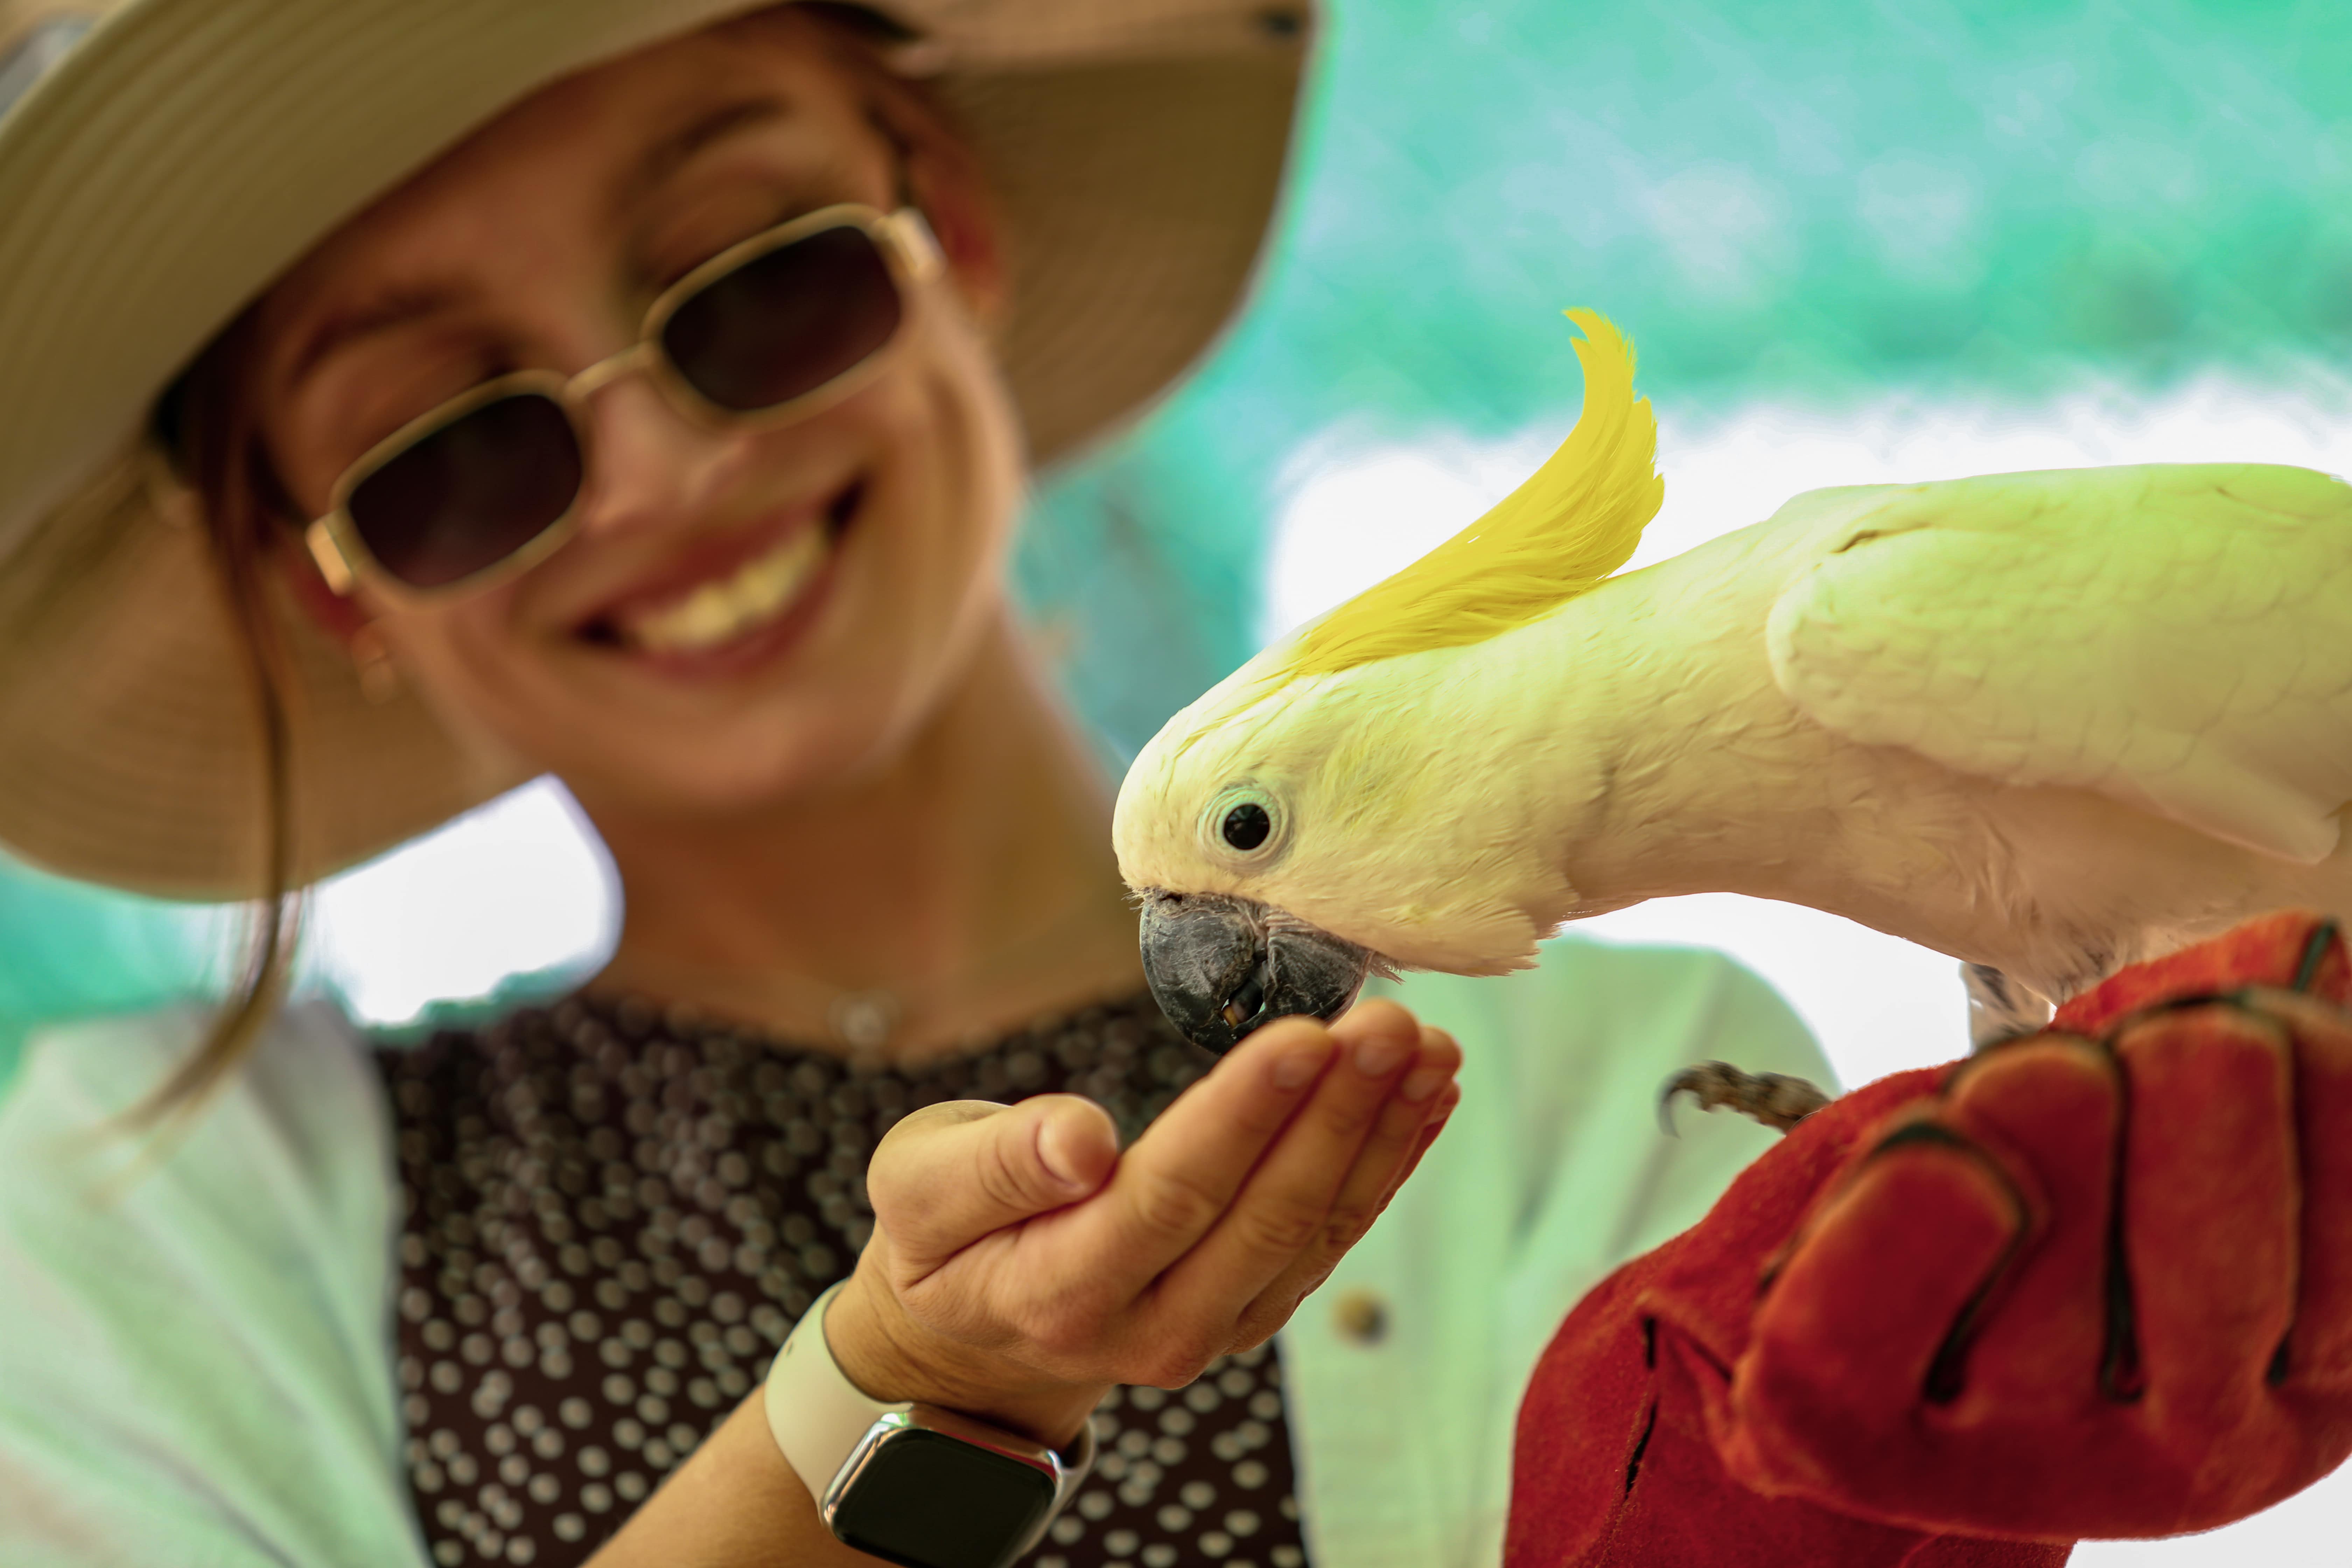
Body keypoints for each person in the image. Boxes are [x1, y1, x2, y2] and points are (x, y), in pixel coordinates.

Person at [0, 4, 1829, 1568]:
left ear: (950, 230)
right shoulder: (165, 1217)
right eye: (450, 449)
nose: (657, 470)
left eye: (758, 281)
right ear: (329, 580)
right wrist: (905, 1403)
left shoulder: (1620, 1090)